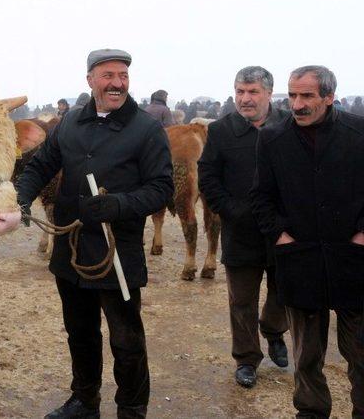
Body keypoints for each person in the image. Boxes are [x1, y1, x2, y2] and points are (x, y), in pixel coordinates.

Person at [16, 49, 174, 419]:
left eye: (123, 75)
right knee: (80, 333)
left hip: (116, 250)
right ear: (90, 79)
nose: (117, 83)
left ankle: (132, 408)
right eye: (108, 75)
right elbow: (41, 165)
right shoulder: (70, 123)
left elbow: (161, 188)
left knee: (126, 339)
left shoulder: (146, 129)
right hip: (71, 250)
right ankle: (84, 401)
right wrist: (21, 195)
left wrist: (117, 205)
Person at [251, 65, 364, 418]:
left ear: (329, 98)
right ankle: (311, 412)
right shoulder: (272, 138)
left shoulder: (358, 134)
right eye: (292, 95)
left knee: (360, 351)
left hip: (353, 259)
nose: (297, 104)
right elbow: (261, 197)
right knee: (307, 354)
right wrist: (280, 235)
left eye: (307, 96)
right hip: (299, 259)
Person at [198, 66, 290, 388]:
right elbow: (207, 175)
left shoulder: (289, 125)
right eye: (240, 91)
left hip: (283, 230)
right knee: (241, 300)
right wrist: (230, 210)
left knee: (285, 293)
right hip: (241, 230)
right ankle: (247, 359)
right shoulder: (222, 130)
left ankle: (274, 330)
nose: (245, 98)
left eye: (252, 91)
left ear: (268, 92)